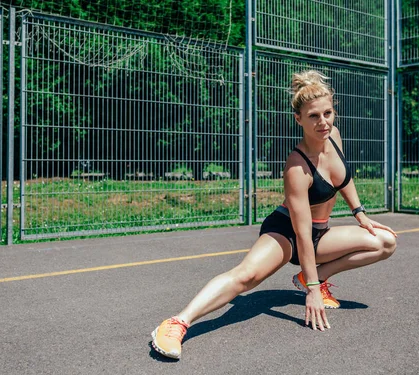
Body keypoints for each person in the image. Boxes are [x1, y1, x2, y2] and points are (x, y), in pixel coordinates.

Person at [151, 70, 398, 360]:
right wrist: (315, 291)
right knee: (246, 277)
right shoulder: (296, 167)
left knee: (385, 241)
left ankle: (310, 277)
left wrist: (360, 214)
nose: (323, 122)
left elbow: (343, 178)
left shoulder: (333, 137)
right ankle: (177, 323)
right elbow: (302, 233)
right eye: (313, 117)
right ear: (299, 119)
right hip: (287, 233)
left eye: (328, 113)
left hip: (321, 233)